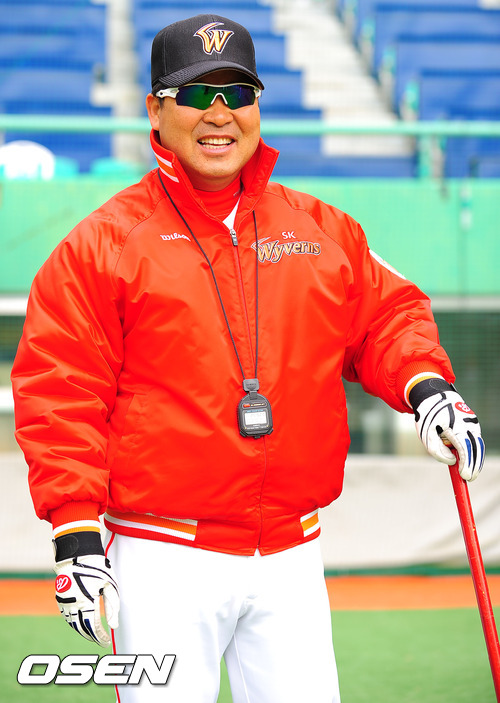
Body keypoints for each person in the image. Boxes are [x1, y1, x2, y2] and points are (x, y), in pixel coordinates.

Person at [11, 13, 485, 703]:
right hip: (161, 555)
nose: (219, 113)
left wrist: (428, 386)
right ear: (156, 109)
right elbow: (61, 389)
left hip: (292, 552)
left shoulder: (320, 228)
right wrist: (75, 532)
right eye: (196, 94)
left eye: (237, 93)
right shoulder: (102, 244)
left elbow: (388, 315)